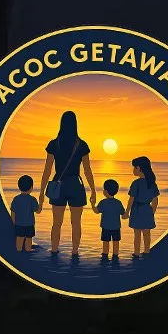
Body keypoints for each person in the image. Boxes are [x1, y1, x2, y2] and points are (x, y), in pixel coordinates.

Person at [38, 109, 96, 256]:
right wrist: (93, 190)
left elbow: (47, 170)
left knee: (57, 222)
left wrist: (41, 193)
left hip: (59, 184)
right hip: (76, 185)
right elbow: (87, 170)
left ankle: (54, 249)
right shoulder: (81, 144)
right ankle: (75, 252)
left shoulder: (54, 144)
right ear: (75, 124)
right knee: (76, 223)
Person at [127, 155, 159, 256]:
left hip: (137, 209)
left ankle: (136, 253)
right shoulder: (152, 183)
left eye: (134, 167)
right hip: (147, 209)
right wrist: (152, 211)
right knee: (146, 233)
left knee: (137, 234)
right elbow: (155, 199)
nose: (133, 170)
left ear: (139, 168)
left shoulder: (136, 183)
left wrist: (127, 211)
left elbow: (131, 199)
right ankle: (147, 251)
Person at [9, 174, 39, 253]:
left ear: (19, 187)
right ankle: (28, 249)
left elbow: (13, 212)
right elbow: (37, 210)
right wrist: (40, 203)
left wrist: (13, 223)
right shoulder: (32, 199)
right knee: (29, 238)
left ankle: (18, 250)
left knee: (19, 238)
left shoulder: (16, 199)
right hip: (29, 224)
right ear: (31, 188)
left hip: (19, 224)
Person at [97, 178, 125, 262]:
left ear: (105, 191)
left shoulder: (103, 202)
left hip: (105, 226)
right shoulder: (118, 202)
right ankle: (115, 255)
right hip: (116, 227)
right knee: (116, 241)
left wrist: (92, 204)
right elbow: (123, 213)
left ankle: (105, 255)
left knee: (106, 242)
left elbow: (96, 211)